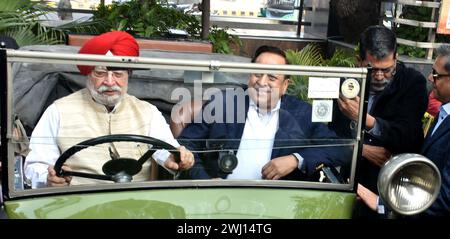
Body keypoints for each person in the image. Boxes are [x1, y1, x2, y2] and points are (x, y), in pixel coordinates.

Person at [24, 31, 194, 188]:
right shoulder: (58, 111)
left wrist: (175, 158)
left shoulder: (148, 112)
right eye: (100, 73)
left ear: (129, 75)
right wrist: (48, 177)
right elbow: (34, 166)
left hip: (137, 206)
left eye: (118, 74)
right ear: (88, 74)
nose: (110, 82)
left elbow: (167, 151)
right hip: (77, 202)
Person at [178, 45, 348, 180]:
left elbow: (339, 149)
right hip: (220, 199)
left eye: (272, 78)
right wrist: (206, 182)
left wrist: (296, 159)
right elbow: (187, 144)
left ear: (285, 86)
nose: (261, 82)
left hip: (276, 202)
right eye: (257, 73)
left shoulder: (301, 113)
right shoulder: (223, 102)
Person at [332, 26, 428, 217]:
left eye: (387, 70)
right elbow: (328, 132)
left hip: (393, 185)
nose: (378, 76)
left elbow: (408, 135)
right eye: (372, 69)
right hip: (350, 179)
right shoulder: (347, 83)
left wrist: (367, 121)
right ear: (359, 61)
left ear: (396, 57)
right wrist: (361, 149)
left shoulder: (412, 83)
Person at [358, 44, 450, 217]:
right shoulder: (443, 113)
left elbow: (445, 200)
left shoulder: (411, 84)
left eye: (436, 74)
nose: (430, 78)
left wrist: (382, 203)